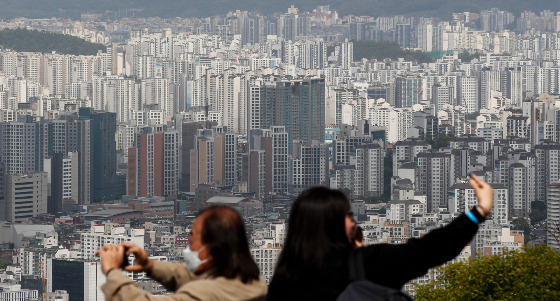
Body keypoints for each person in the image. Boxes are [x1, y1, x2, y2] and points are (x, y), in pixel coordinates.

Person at [268, 174, 494, 300]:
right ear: (334, 223)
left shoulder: (283, 281)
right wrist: (480, 210)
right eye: (348, 215)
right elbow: (429, 249)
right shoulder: (366, 265)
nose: (353, 220)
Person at [96, 205, 267, 301]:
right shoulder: (252, 283)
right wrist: (150, 266)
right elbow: (192, 278)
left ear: (213, 248)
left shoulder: (205, 295)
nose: (188, 243)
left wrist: (112, 272)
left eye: (192, 236)